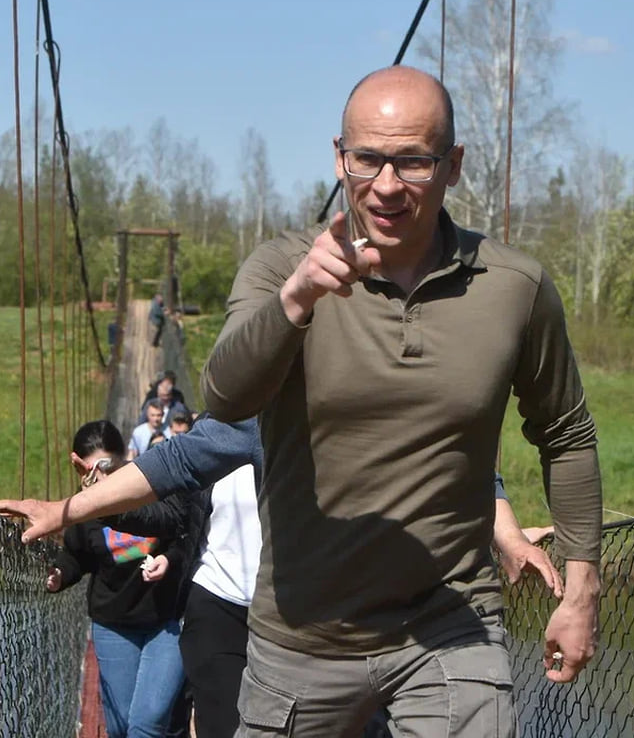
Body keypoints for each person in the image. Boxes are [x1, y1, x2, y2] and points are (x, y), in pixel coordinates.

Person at [199, 65, 603, 737]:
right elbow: (223, 397)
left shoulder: (515, 289)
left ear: (453, 166)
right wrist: (295, 302)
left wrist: (582, 589)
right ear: (340, 157)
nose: (386, 186)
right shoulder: (281, 269)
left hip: (451, 624)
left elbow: (566, 433)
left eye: (414, 162)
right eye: (368, 160)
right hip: (306, 630)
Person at [0, 417, 563, 738]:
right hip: (220, 607)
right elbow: (164, 491)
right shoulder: (238, 428)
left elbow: (456, 460)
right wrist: (70, 509)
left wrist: (503, 535)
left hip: (313, 616)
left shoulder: (358, 409)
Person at [42, 420, 191, 738]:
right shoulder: (83, 511)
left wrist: (169, 558)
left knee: (146, 724)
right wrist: (60, 575)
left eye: (108, 466)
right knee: (123, 725)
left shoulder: (154, 490)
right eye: (94, 471)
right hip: (114, 625)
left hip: (165, 622)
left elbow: (186, 535)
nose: (104, 478)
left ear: (124, 459)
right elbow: (76, 556)